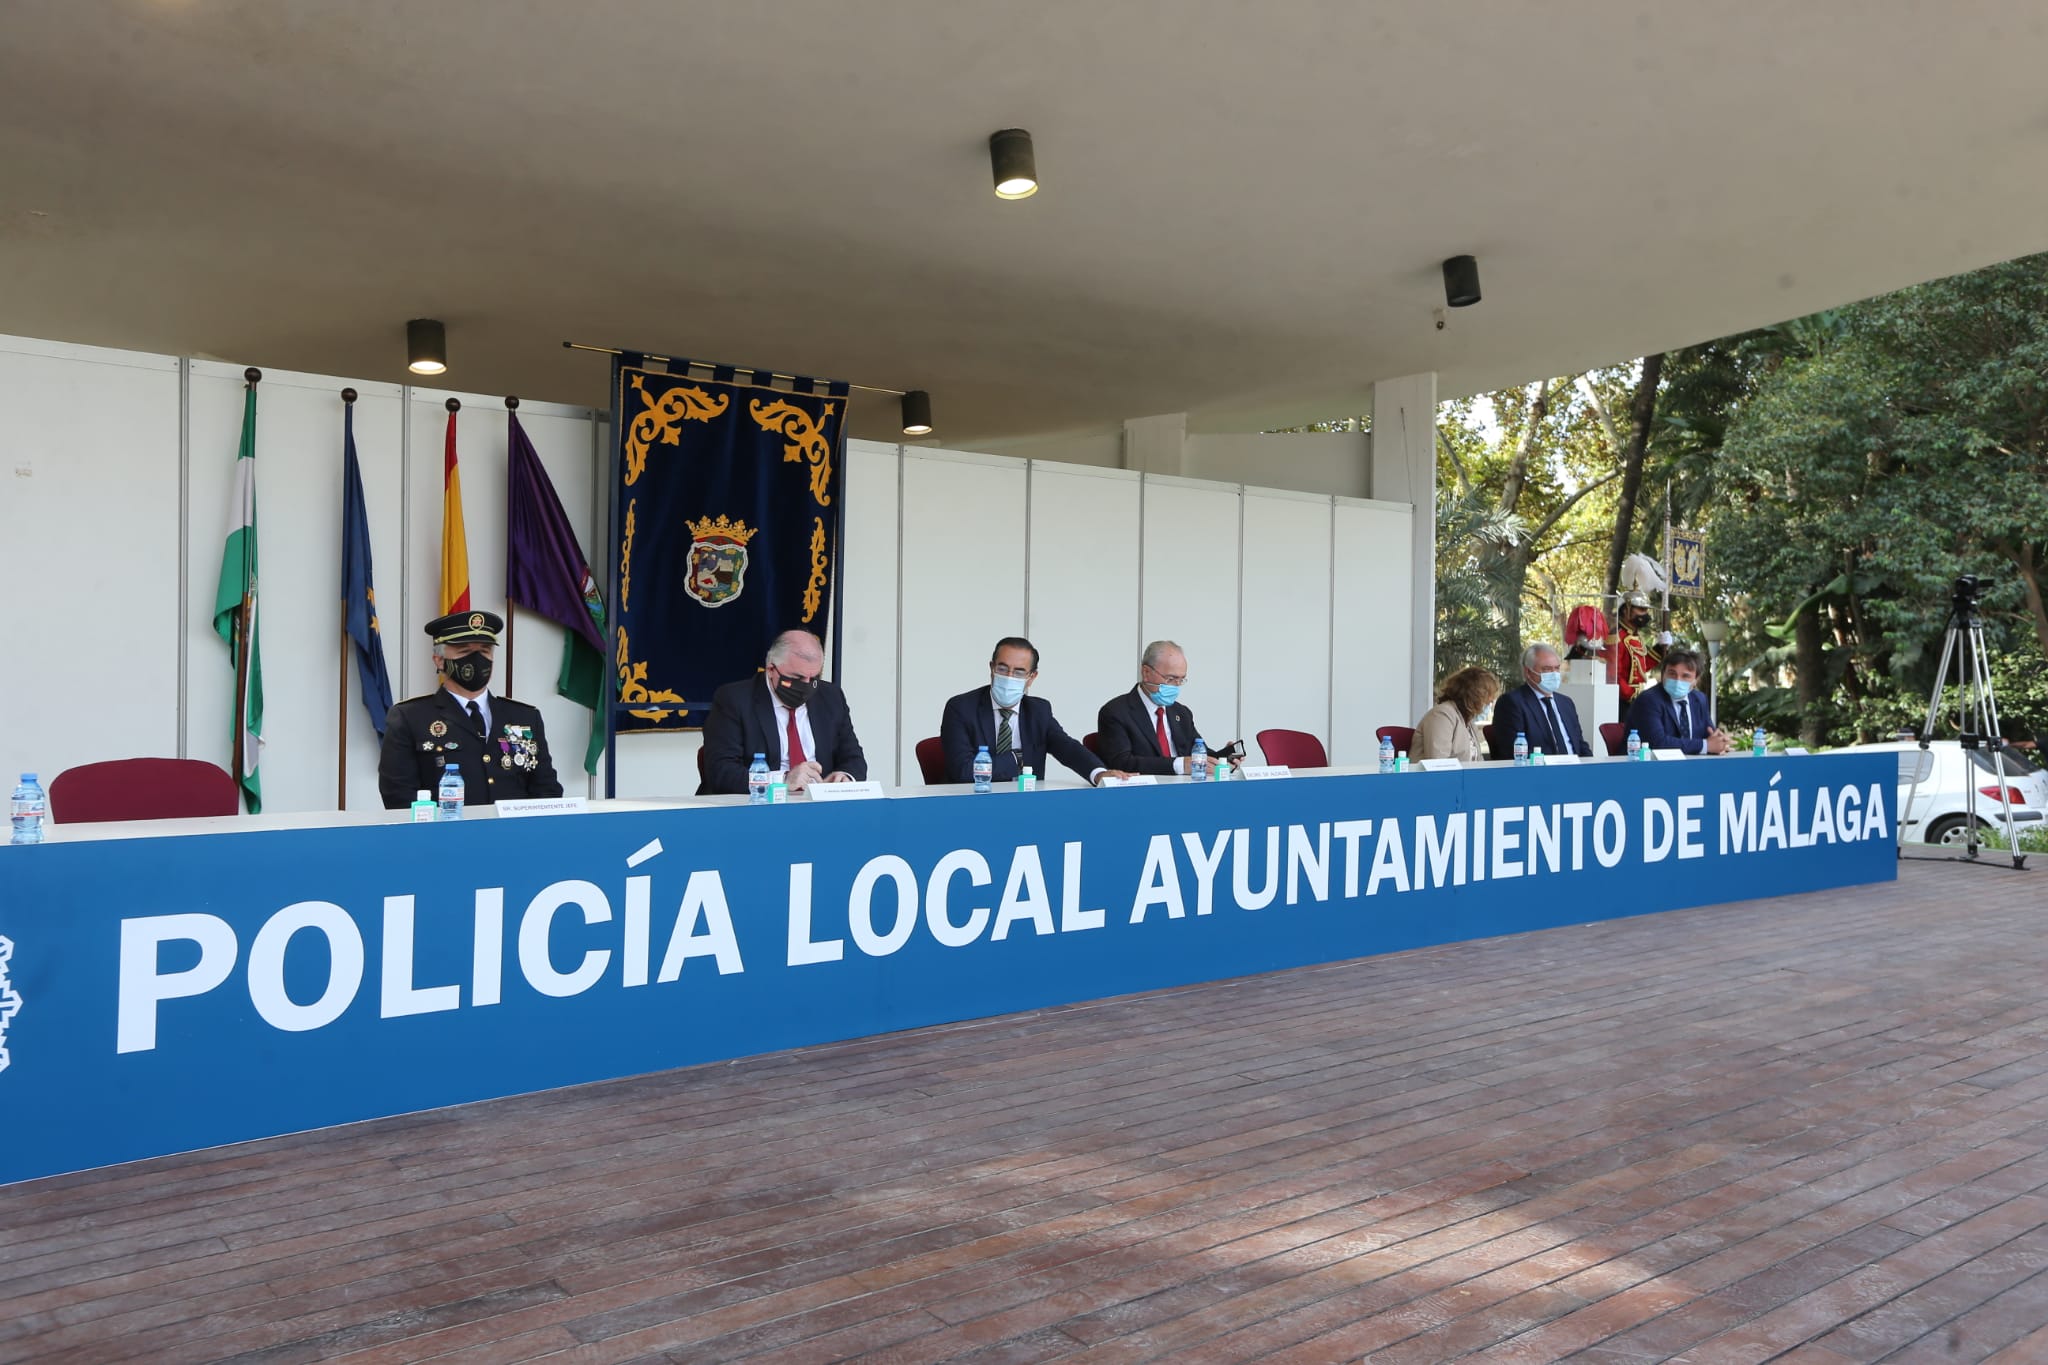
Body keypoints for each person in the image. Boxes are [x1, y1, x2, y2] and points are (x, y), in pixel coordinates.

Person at [378, 610, 563, 809]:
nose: (476, 659)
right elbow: (398, 796)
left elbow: (547, 789)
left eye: (484, 651)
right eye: (464, 652)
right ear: (439, 660)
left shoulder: (525, 717)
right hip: (445, 836)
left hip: (515, 836)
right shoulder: (410, 717)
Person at [940, 637, 1131, 786]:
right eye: (1003, 668)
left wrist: (1099, 774)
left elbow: (1068, 748)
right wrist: (1015, 759)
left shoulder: (1038, 711)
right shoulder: (961, 708)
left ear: (1032, 677)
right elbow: (963, 771)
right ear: (991, 668)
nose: (1009, 677)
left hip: (1028, 807)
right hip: (975, 805)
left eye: (1019, 672)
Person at [698, 629, 868, 795]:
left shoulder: (831, 697)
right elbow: (721, 772)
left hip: (817, 807)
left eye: (814, 678)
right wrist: (783, 780)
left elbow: (854, 758)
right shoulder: (735, 699)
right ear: (771, 669)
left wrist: (845, 778)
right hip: (758, 808)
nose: (807, 686)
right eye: (797, 678)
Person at [1094, 640, 1211, 777]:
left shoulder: (1181, 713)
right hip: (1142, 792)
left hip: (1184, 789)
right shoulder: (1116, 712)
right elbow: (1122, 763)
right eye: (1170, 679)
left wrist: (1225, 758)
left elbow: (1199, 753)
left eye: (1181, 680)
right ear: (1146, 672)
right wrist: (1178, 765)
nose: (1176, 686)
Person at [1487, 643, 1593, 761]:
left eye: (1557, 668)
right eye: (1546, 669)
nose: (1554, 674)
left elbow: (1579, 744)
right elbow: (1514, 752)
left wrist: (1592, 767)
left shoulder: (1566, 703)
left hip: (1575, 771)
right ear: (1528, 672)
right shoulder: (1512, 703)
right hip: (1539, 773)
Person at [1624, 646, 1729, 755]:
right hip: (1647, 767)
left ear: (1695, 681)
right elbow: (1658, 743)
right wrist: (1706, 745)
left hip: (1691, 766)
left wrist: (1721, 743)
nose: (1678, 680)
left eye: (1685, 676)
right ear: (1663, 674)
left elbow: (1710, 735)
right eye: (1672, 673)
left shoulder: (1699, 699)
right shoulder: (1648, 700)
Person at [1414, 666, 1501, 762]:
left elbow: (1478, 762)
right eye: (1487, 696)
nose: (1490, 701)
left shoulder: (1468, 721)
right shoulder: (1441, 715)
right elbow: (1438, 763)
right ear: (1473, 695)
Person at [1610, 592, 1661, 704]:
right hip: (1620, 699)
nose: (1645, 614)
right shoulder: (1616, 637)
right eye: (1641, 609)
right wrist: (1631, 694)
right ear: (1625, 610)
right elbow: (1613, 675)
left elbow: (1639, 668)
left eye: (1646, 610)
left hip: (1635, 697)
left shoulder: (1634, 635)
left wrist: (1660, 648)